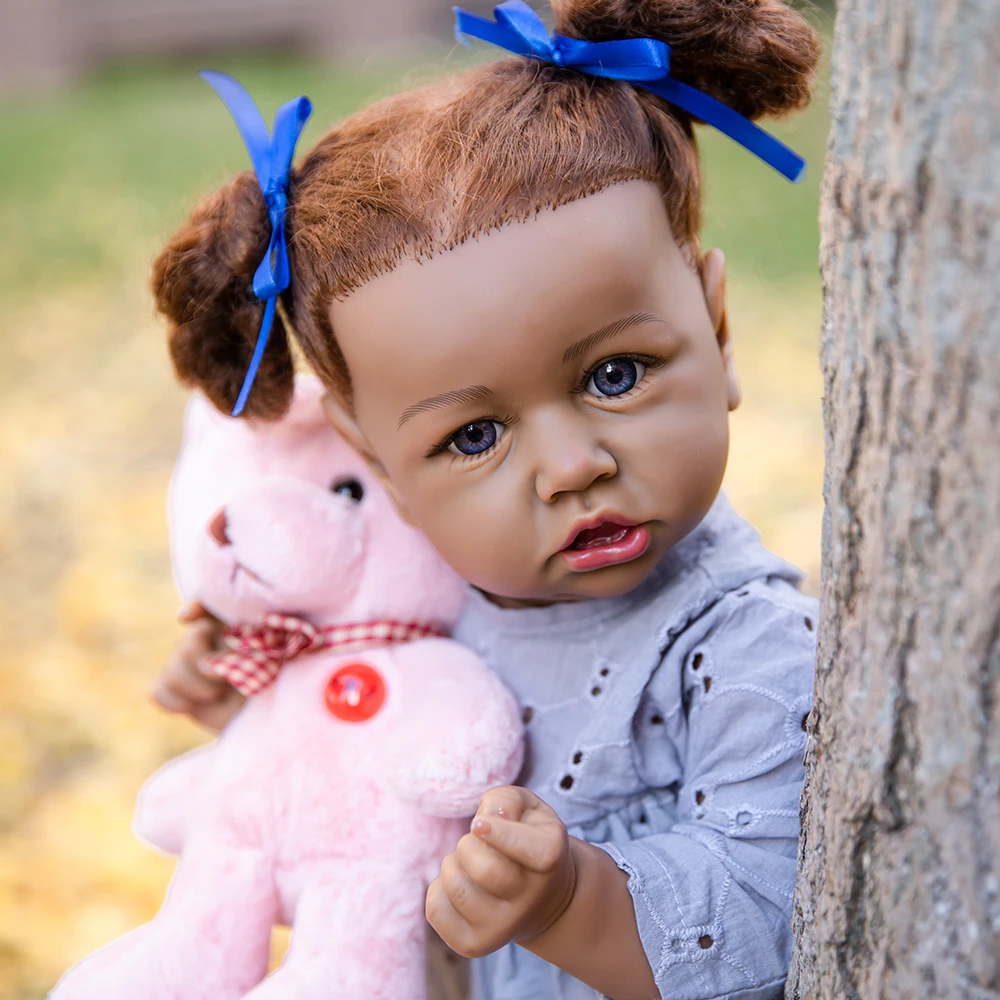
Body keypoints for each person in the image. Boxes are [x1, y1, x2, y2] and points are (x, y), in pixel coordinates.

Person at [150, 1, 822, 997]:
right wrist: (263, 702)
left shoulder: (743, 649)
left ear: (715, 330)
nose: (570, 467)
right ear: (381, 467)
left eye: (615, 374)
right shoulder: (427, 602)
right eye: (473, 436)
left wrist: (569, 904)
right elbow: (363, 784)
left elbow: (779, 919)